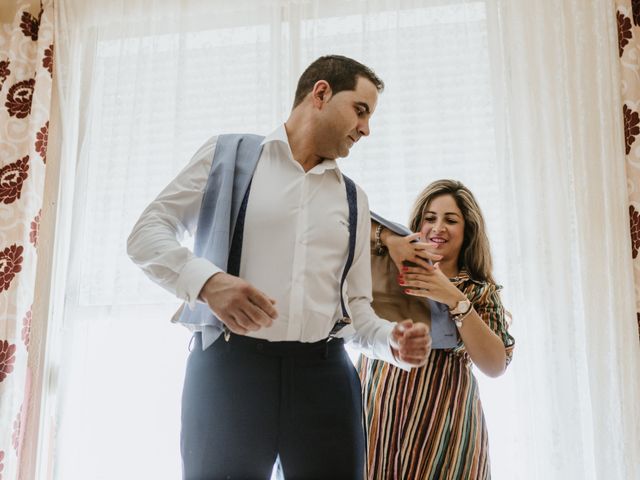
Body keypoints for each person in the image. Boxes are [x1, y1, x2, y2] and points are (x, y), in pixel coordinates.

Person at [127, 55, 430, 479]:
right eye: (360, 110)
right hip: (228, 374)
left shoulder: (353, 199)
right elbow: (146, 233)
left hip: (325, 379)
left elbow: (357, 313)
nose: (366, 128)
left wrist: (391, 343)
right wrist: (208, 283)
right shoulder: (225, 156)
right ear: (321, 93)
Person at [359, 179, 515, 479]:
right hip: (377, 414)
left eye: (450, 220)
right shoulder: (389, 276)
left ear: (468, 230)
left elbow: (496, 365)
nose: (438, 227)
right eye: (429, 218)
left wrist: (454, 298)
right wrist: (390, 240)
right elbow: (342, 224)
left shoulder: (477, 291)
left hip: (444, 425)